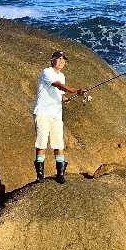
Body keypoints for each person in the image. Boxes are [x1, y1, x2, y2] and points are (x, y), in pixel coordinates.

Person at [32, 51, 86, 184]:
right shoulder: (47, 72)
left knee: (59, 144)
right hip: (42, 113)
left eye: (63, 59)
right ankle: (40, 176)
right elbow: (58, 85)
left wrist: (64, 98)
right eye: (59, 59)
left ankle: (60, 174)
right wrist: (76, 91)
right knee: (42, 143)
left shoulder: (62, 75)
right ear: (52, 60)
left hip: (56, 114)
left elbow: (59, 91)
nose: (61, 61)